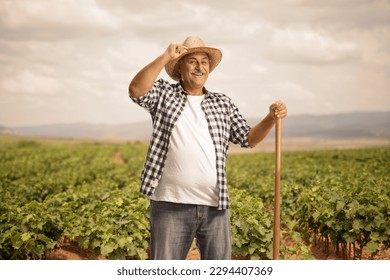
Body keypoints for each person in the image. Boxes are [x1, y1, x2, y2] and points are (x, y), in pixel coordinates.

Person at [128, 36, 287, 260]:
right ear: (180, 67)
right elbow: (136, 90)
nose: (200, 66)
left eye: (204, 61)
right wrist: (165, 57)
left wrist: (270, 118)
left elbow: (248, 138)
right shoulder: (165, 94)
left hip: (215, 207)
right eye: (192, 61)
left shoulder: (223, 103)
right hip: (170, 204)